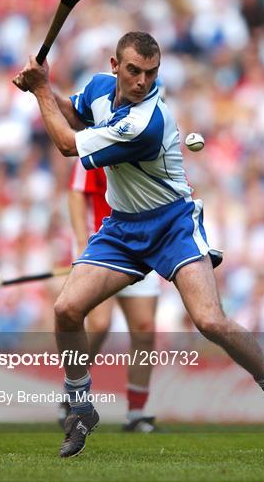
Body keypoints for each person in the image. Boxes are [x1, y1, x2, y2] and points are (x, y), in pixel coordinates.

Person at [14, 31, 264, 458]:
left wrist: (40, 90)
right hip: (122, 228)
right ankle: (80, 406)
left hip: (172, 225)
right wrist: (49, 88)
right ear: (114, 66)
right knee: (67, 309)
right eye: (134, 71)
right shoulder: (100, 90)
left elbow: (68, 144)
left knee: (210, 322)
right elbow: (75, 113)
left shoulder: (148, 121)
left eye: (151, 72)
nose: (143, 81)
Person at [61, 157, 161, 432]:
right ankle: (73, 388)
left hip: (142, 243)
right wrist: (82, 242)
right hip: (101, 244)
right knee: (100, 324)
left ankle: (137, 413)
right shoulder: (97, 141)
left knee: (144, 329)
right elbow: (76, 192)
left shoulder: (153, 138)